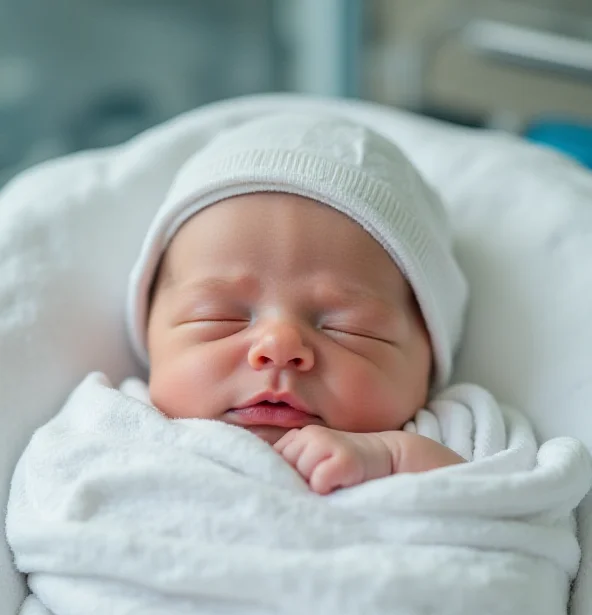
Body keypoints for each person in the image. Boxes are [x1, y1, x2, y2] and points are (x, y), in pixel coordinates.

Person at [125, 112, 468, 494]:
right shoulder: (116, 425)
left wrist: (392, 458)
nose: (278, 345)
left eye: (350, 328)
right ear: (149, 336)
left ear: (430, 357)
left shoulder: (449, 432)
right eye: (217, 316)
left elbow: (516, 501)